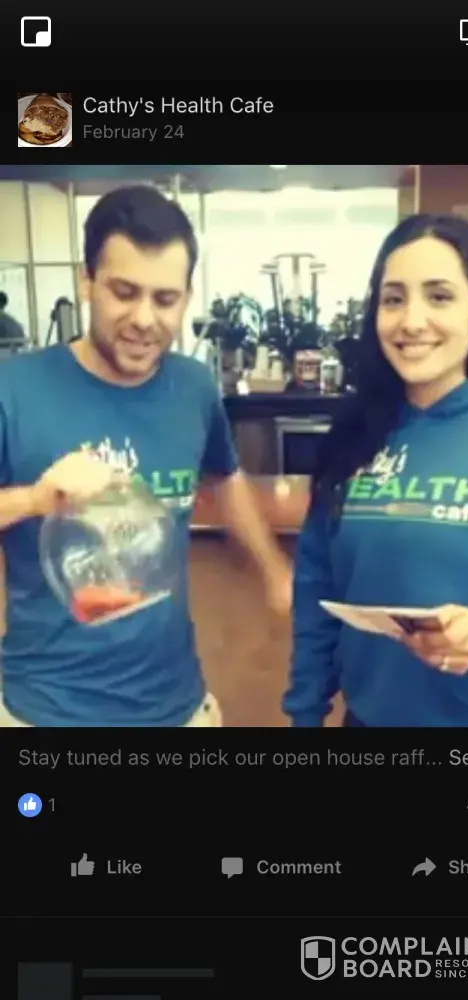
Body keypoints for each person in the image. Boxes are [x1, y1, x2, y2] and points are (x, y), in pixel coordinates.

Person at [0, 184, 291, 727]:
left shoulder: (194, 387)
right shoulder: (12, 389)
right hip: (45, 710)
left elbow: (225, 477)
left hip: (176, 706)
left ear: (186, 296)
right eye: (124, 292)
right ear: (87, 281)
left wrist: (275, 571)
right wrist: (35, 499)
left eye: (165, 299)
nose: (143, 318)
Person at [283, 213, 468, 728]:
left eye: (439, 296)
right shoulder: (357, 433)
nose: (411, 321)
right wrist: (304, 710)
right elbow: (318, 585)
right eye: (393, 299)